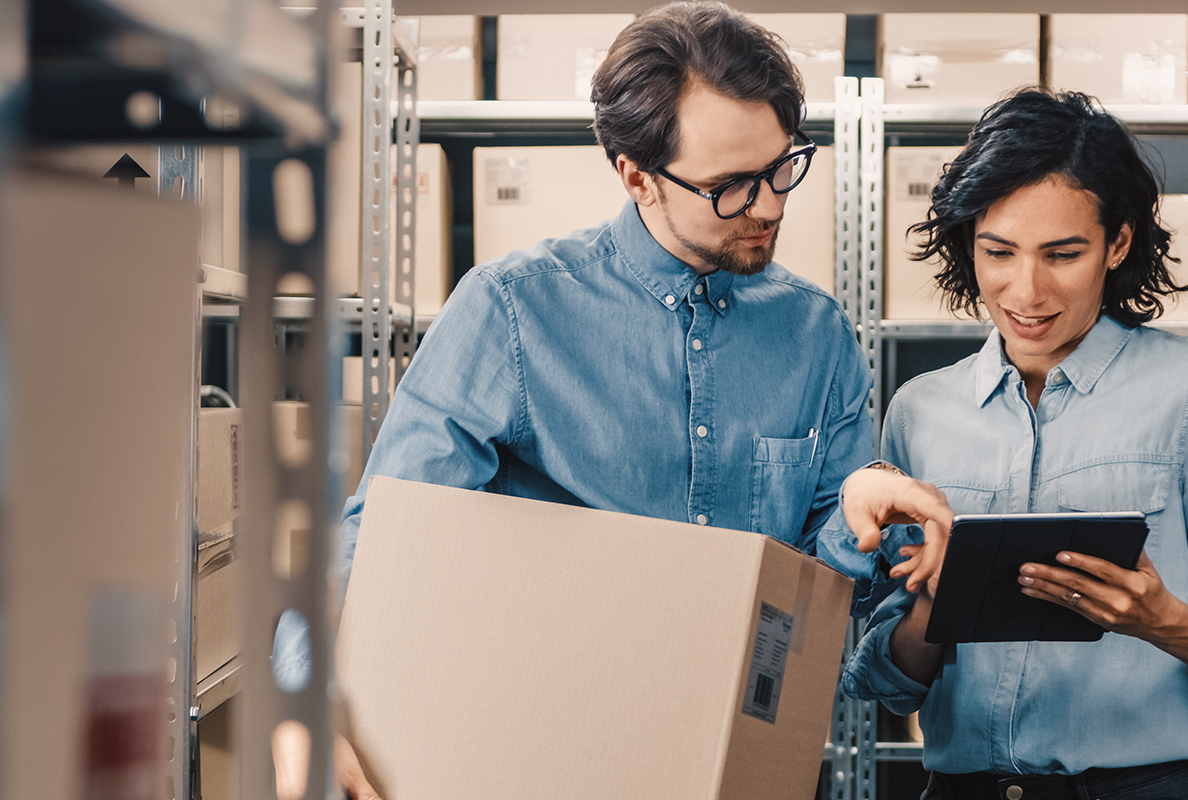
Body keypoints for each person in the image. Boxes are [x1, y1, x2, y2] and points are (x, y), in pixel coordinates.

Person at [275, 4, 951, 797]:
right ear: (636, 176)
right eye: (730, 186)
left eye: (780, 167)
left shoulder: (819, 336)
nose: (768, 205)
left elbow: (818, 604)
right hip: (544, 762)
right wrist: (300, 698)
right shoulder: (513, 313)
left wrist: (861, 516)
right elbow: (380, 537)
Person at [829, 89, 1188, 800]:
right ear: (968, 244)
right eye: (998, 252)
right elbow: (892, 686)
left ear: (1117, 244)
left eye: (1063, 253)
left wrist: (1162, 621)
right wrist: (934, 597)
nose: (1027, 289)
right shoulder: (920, 410)